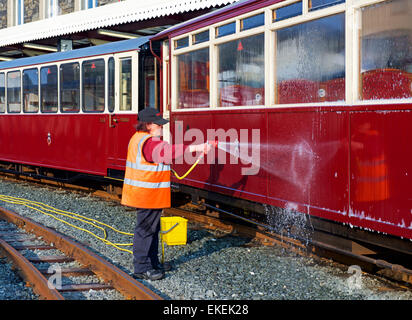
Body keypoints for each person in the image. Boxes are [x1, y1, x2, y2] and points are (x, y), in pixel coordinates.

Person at [121, 107, 211, 281]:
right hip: (147, 195)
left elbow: (165, 154)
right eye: (158, 124)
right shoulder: (148, 142)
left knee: (152, 230)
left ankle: (153, 263)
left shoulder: (139, 139)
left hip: (148, 194)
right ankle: (142, 268)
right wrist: (197, 147)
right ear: (148, 125)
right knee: (146, 230)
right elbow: (167, 152)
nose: (162, 127)